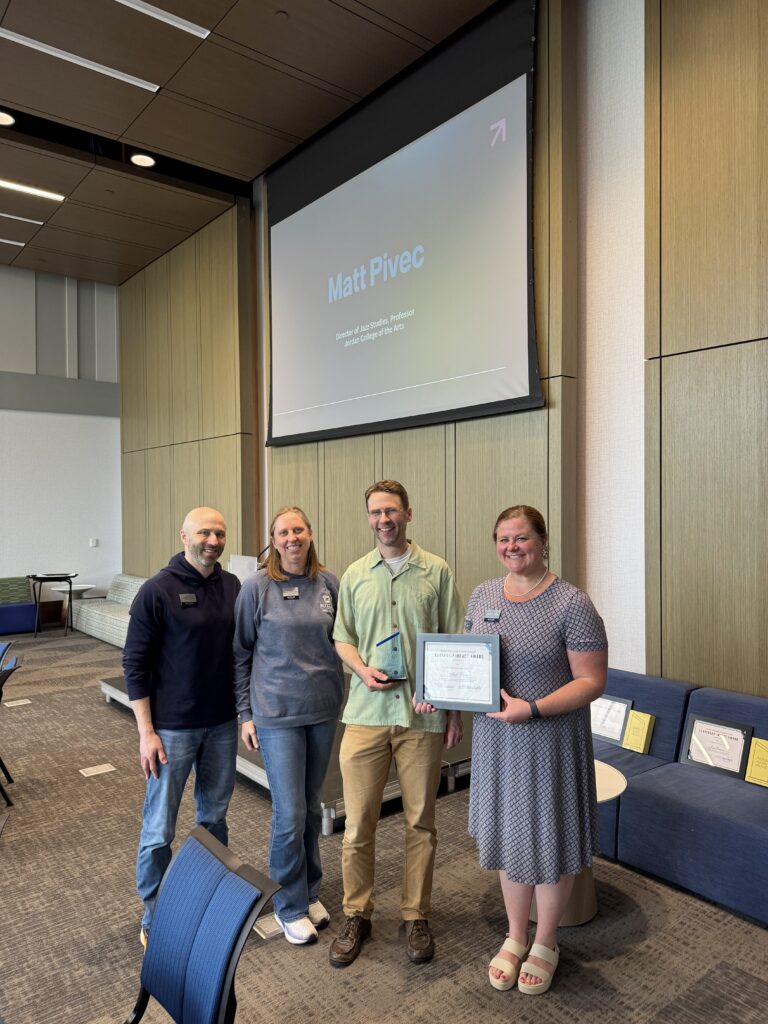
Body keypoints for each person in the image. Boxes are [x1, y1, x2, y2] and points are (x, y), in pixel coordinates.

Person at [466, 504, 607, 995]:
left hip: (550, 739)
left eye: (521, 538)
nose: (512, 547)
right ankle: (514, 935)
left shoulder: (572, 603)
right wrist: (438, 691)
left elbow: (592, 681)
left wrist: (533, 709)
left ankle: (546, 940)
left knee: (551, 837)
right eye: (503, 539)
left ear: (543, 542)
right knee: (509, 835)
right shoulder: (483, 594)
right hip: (497, 741)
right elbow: (467, 658)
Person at [329, 480, 464, 968]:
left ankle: (415, 914)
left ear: (408, 513)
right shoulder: (355, 574)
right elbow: (342, 637)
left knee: (420, 823)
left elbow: (452, 641)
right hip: (365, 715)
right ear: (368, 518)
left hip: (420, 719)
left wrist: (452, 712)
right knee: (357, 825)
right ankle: (356, 914)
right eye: (375, 512)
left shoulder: (437, 571)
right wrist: (360, 669)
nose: (383, 519)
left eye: (391, 511)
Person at [123, 506, 241, 949]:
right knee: (159, 829)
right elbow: (134, 664)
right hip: (171, 730)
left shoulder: (232, 586)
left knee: (214, 820)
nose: (213, 541)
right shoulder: (157, 590)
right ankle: (155, 915)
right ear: (184, 536)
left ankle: (207, 902)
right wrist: (146, 732)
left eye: (220, 533)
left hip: (222, 725)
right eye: (204, 533)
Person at [233, 506, 344, 945]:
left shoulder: (329, 583)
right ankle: (288, 904)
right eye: (283, 532)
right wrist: (245, 714)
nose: (291, 537)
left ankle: (309, 890)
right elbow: (240, 653)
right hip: (276, 714)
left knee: (311, 806)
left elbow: (344, 641)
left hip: (322, 711)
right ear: (274, 540)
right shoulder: (256, 587)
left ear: (310, 534)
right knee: (289, 812)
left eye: (298, 529)